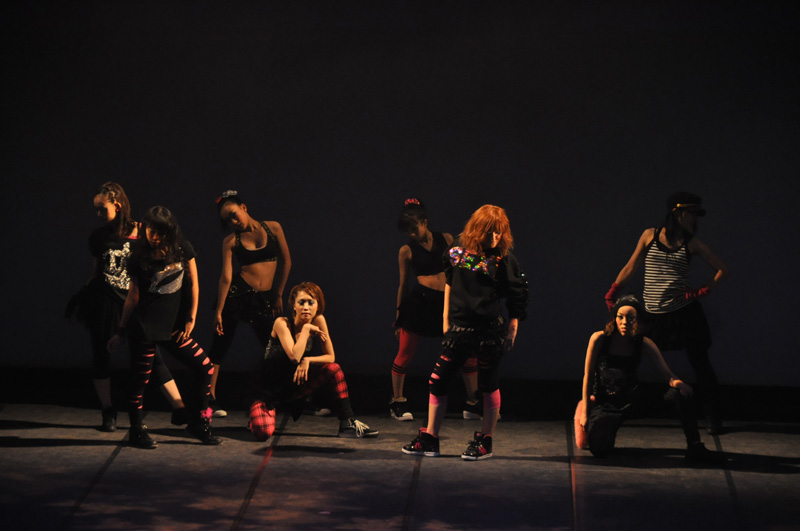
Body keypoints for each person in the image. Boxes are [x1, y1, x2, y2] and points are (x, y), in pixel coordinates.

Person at [402, 205, 528, 460]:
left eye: (498, 232)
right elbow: (449, 283)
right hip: (459, 329)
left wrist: (513, 328)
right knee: (438, 380)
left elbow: (518, 295)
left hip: (489, 330)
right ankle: (430, 438)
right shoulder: (456, 253)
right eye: (489, 232)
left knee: (488, 384)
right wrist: (445, 320)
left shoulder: (503, 260)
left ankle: (485, 440)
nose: (494, 237)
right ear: (477, 229)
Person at [604, 192, 729, 434]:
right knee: (630, 358)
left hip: (683, 314)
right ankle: (615, 409)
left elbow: (723, 269)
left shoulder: (692, 243)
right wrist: (614, 290)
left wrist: (702, 290)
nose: (694, 219)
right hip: (653, 313)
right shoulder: (649, 236)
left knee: (700, 364)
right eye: (691, 213)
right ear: (677, 213)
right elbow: (631, 266)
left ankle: (712, 415)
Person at [68, 182, 187, 432]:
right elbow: (96, 271)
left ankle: (180, 408)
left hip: (135, 304)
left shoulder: (143, 232)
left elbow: (162, 260)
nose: (98, 214)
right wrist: (83, 294)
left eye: (102, 209)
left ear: (118, 205)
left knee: (153, 358)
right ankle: (108, 411)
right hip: (106, 303)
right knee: (101, 355)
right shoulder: (98, 237)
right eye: (96, 209)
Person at [108, 206, 220, 449]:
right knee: (141, 380)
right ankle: (136, 431)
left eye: (160, 232)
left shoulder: (183, 250)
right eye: (151, 231)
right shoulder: (138, 257)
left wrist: (191, 318)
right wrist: (120, 331)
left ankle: (199, 422)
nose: (155, 237)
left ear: (170, 232)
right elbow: (133, 297)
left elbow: (194, 285)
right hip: (144, 327)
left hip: (173, 327)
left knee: (205, 367)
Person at [578, 294, 724, 463]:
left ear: (637, 320)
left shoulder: (643, 342)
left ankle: (695, 446)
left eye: (630, 318)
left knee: (678, 394)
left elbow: (668, 376)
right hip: (607, 403)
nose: (625, 322)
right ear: (614, 318)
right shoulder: (600, 339)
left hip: (633, 399)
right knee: (599, 449)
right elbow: (588, 375)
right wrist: (585, 412)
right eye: (620, 317)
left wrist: (679, 384)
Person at [248, 282, 379, 440]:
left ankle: (347, 423)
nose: (306, 307)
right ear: (294, 305)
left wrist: (308, 360)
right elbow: (294, 357)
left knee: (333, 369)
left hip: (293, 387)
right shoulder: (282, 323)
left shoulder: (318, 320)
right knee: (262, 432)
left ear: (318, 306)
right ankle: (257, 415)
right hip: (269, 389)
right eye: (301, 302)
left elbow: (330, 356)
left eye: (311, 302)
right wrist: (306, 329)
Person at [391, 198, 479, 421]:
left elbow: (461, 266)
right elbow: (403, 285)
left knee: (466, 351)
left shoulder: (446, 239)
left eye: (414, 228)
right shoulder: (406, 251)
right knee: (405, 353)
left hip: (446, 303)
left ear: (425, 222)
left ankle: (473, 403)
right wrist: (399, 317)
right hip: (419, 304)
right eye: (407, 230)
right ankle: (397, 401)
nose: (411, 234)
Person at [209, 190, 291, 418]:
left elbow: (286, 261)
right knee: (219, 347)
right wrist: (218, 311)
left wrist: (278, 294)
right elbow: (226, 277)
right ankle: (209, 398)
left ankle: (296, 396)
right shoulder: (231, 241)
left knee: (278, 349)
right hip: (238, 295)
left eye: (234, 214)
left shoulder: (273, 228)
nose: (233, 222)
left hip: (263, 300)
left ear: (244, 208)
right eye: (227, 220)